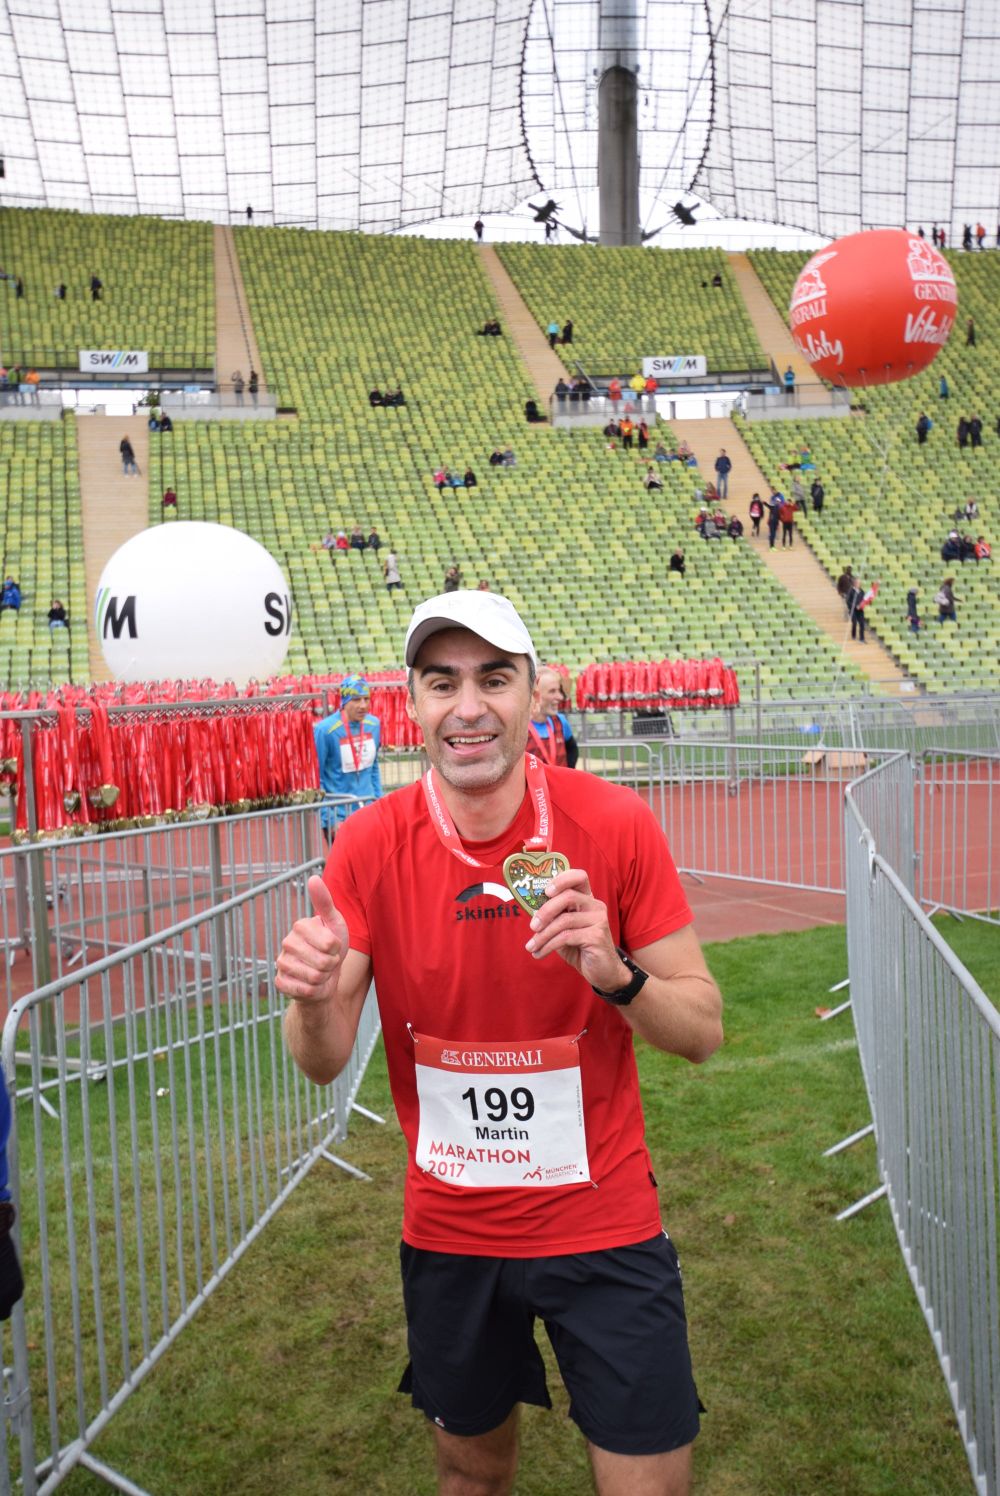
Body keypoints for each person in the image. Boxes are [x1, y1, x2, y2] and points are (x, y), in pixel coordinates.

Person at [276, 590, 722, 1495]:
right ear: (414, 704)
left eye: (493, 679)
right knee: (469, 1473)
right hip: (451, 1229)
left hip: (603, 1219)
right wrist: (315, 998)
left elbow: (703, 1030)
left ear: (532, 693)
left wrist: (616, 975)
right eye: (443, 683)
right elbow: (322, 1059)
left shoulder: (615, 824)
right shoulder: (366, 847)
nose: (468, 706)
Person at [313, 676, 382, 843]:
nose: (363, 705)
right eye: (356, 700)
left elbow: (373, 767)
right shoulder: (325, 730)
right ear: (344, 701)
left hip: (369, 811)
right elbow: (317, 779)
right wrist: (329, 819)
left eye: (366, 699)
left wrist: (380, 803)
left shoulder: (374, 724)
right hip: (339, 816)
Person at [529, 665, 578, 768]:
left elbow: (572, 750)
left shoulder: (561, 721)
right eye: (552, 691)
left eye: (559, 690)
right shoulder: (519, 727)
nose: (560, 697)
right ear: (535, 695)